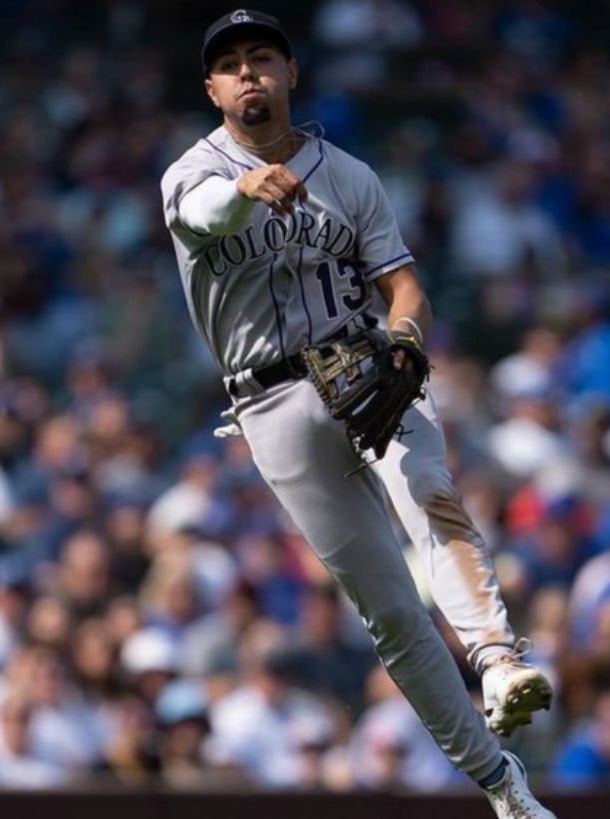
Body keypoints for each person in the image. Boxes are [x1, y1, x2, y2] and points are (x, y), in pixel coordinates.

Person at [159, 10, 554, 816]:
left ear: (291, 73)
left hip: (362, 360)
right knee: (392, 611)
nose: (248, 72)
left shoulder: (350, 176)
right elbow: (205, 216)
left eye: (262, 57)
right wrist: (246, 187)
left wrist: (405, 335)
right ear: (212, 89)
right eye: (230, 64)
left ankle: (497, 657)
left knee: (429, 490)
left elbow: (404, 288)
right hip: (268, 401)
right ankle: (500, 782)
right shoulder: (190, 174)